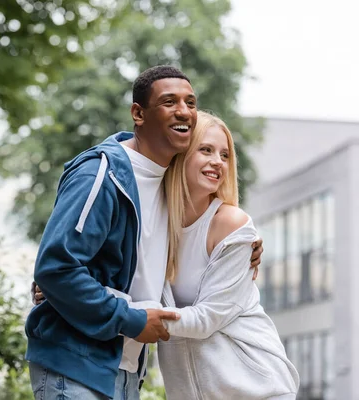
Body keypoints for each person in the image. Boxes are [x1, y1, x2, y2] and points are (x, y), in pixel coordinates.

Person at [26, 65, 264, 400]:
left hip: (126, 370)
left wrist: (242, 244)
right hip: (77, 362)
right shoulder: (102, 173)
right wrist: (131, 318)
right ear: (138, 113)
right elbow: (56, 268)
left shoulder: (166, 189)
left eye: (191, 102)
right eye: (169, 102)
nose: (183, 110)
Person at [109, 111, 299, 399]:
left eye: (224, 155)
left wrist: (117, 311)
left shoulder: (231, 224)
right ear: (181, 153)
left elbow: (204, 320)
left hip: (255, 390)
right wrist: (68, 291)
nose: (217, 162)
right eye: (206, 150)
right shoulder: (151, 223)